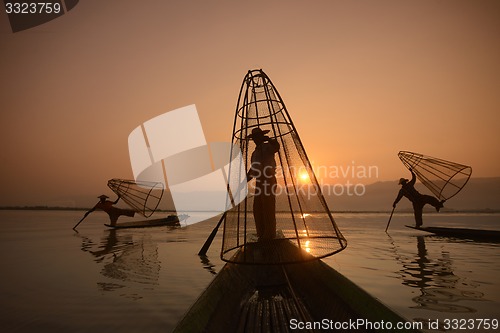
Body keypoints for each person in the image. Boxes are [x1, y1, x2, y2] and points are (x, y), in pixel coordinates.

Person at [246, 127, 280, 241]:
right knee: (257, 208)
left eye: (257, 137)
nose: (256, 140)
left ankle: (270, 235)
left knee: (268, 207)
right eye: (254, 138)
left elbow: (276, 146)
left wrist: (268, 139)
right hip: (259, 182)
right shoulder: (254, 153)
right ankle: (261, 233)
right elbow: (253, 170)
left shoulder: (267, 147)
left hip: (269, 179)